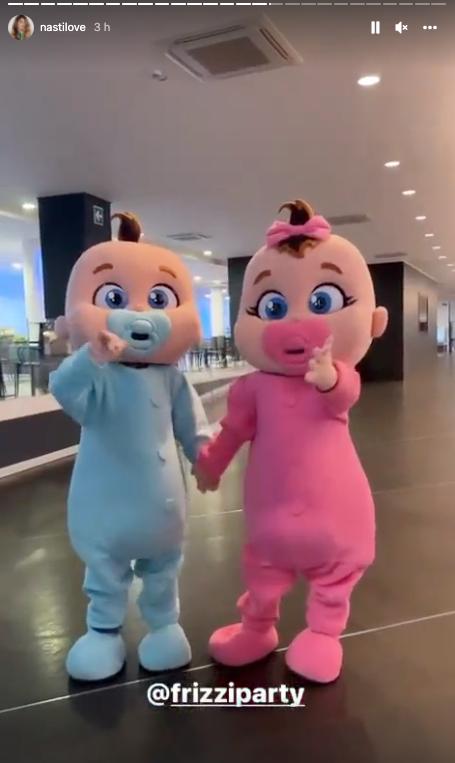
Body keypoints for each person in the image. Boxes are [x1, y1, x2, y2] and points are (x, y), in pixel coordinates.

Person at [194, 199, 388, 683]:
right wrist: (211, 464)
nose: (294, 323)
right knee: (262, 569)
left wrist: (327, 378)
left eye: (321, 303)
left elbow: (343, 395)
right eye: (273, 308)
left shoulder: (338, 375)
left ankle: (322, 634)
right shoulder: (253, 388)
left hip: (335, 512)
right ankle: (257, 627)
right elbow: (234, 429)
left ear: (375, 321)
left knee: (334, 577)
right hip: (271, 514)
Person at [49, 212, 211, 682]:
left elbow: (192, 423)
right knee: (105, 571)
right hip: (106, 506)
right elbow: (64, 389)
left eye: (159, 300)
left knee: (163, 569)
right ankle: (103, 631)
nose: (142, 314)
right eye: (115, 299)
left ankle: (163, 625)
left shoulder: (170, 379)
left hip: (162, 509)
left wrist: (205, 455)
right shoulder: (98, 377)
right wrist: (91, 356)